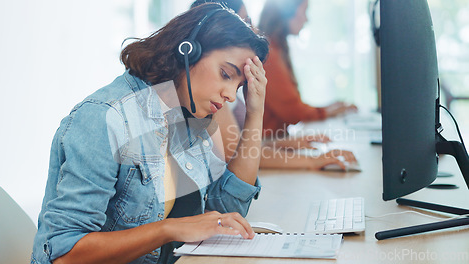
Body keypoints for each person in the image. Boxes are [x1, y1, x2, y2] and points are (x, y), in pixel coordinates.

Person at [31, 4, 270, 264]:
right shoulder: (105, 119)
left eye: (238, 85)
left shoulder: (185, 115)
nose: (230, 94)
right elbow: (64, 253)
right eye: (225, 74)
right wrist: (168, 230)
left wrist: (254, 113)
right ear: (187, 51)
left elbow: (225, 213)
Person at [191, 0, 357, 170]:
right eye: (245, 24)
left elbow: (240, 147)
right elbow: (235, 153)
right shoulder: (212, 93)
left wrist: (282, 143)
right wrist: (312, 161)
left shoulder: (222, 89)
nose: (253, 30)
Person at [259, 0, 357, 137]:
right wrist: (326, 111)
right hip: (269, 146)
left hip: (275, 142)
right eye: (304, 11)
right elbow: (292, 111)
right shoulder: (269, 55)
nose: (306, 19)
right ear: (287, 12)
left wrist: (327, 109)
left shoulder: (276, 48)